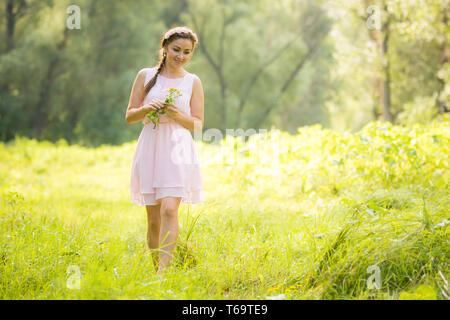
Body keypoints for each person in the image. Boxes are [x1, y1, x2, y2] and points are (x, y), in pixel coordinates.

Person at [125, 26, 205, 275]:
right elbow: (129, 116)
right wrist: (148, 108)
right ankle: (155, 268)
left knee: (170, 208)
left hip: (178, 149)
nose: (181, 56)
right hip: (151, 146)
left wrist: (177, 114)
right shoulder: (146, 75)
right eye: (176, 50)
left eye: (186, 52)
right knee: (154, 218)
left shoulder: (192, 81)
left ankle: (163, 272)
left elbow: (199, 124)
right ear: (165, 48)